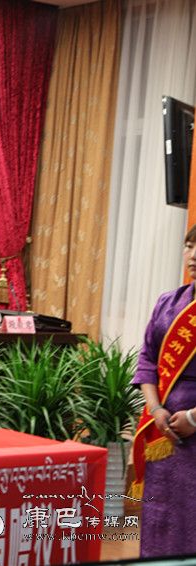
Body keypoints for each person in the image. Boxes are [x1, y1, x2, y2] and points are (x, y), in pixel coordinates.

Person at [131, 224, 196, 558]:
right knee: (161, 514)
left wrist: (193, 418)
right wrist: (156, 408)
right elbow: (147, 359)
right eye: (189, 246)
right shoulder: (169, 301)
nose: (193, 255)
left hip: (192, 425)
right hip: (163, 428)